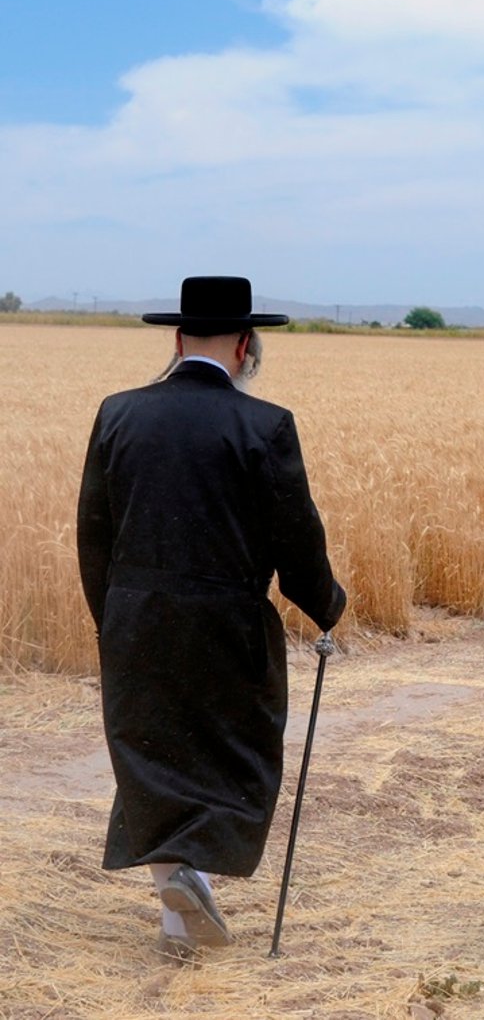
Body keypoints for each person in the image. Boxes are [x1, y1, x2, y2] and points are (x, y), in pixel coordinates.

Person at [76, 275, 346, 962]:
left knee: (150, 759)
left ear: (176, 338)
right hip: (227, 623)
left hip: (135, 615)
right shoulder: (264, 425)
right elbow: (296, 537)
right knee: (235, 758)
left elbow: (93, 534)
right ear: (246, 344)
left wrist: (111, 618)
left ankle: (177, 907)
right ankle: (188, 889)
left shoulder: (117, 413)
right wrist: (326, 603)